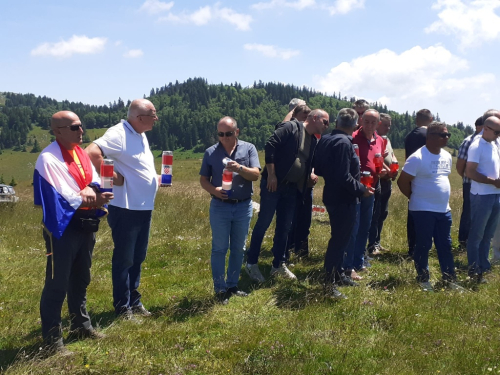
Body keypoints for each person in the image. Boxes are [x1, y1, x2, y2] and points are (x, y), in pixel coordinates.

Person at [34, 111, 113, 354]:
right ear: (57, 131)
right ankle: (52, 340)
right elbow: (63, 195)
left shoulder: (80, 154)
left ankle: (80, 325)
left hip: (85, 224)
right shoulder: (49, 159)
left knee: (81, 277)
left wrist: (93, 191)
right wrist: (89, 197)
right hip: (62, 228)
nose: (80, 131)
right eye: (74, 127)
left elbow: (94, 180)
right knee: (57, 283)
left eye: (80, 126)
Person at [86, 99, 159, 318]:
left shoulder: (140, 134)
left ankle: (134, 301)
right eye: (153, 114)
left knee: (138, 256)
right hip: (125, 207)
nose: (156, 119)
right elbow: (91, 152)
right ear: (139, 118)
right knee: (125, 258)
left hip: (143, 206)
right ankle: (122, 306)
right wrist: (111, 177)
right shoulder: (119, 133)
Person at [245, 109, 329, 281]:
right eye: (325, 122)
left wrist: (308, 177)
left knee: (285, 227)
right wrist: (272, 175)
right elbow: (271, 145)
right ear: (315, 118)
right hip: (273, 185)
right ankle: (251, 263)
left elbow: (307, 162)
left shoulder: (313, 140)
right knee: (264, 223)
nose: (327, 126)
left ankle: (278, 264)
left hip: (292, 188)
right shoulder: (291, 127)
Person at [199, 116, 261, 304]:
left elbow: (256, 175)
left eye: (228, 133)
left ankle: (232, 285)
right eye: (220, 134)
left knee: (238, 248)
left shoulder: (248, 148)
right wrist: (215, 191)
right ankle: (220, 289)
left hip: (243, 205)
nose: (224, 137)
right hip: (220, 206)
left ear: (237, 132)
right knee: (219, 248)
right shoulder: (211, 152)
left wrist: (240, 168)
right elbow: (203, 180)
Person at [314, 108, 373, 298]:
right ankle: (329, 284)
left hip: (332, 195)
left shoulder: (327, 139)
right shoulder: (343, 143)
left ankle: (338, 274)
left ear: (337, 122)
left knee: (341, 238)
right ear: (356, 125)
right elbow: (343, 176)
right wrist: (361, 189)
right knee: (339, 241)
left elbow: (320, 168)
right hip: (343, 198)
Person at [397, 121, 458, 291]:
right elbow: (402, 182)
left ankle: (449, 278)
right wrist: (414, 197)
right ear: (430, 137)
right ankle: (423, 279)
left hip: (444, 209)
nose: (446, 138)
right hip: (423, 209)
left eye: (447, 135)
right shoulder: (417, 158)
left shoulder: (446, 156)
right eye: (443, 135)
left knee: (445, 244)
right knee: (424, 244)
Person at [343, 109, 386, 281]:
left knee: (365, 227)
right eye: (366, 121)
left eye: (373, 122)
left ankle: (358, 261)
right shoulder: (352, 137)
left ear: (378, 124)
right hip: (354, 189)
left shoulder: (380, 140)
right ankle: (348, 266)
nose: (369, 125)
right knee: (353, 227)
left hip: (371, 189)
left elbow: (379, 163)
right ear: (360, 121)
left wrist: (381, 171)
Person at [465, 114, 500, 283]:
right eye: (497, 132)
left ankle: (484, 266)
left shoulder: (493, 143)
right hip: (482, 195)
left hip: (495, 194)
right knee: (477, 235)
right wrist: (492, 181)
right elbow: (470, 172)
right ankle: (473, 270)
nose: (498, 135)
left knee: (488, 235)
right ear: (486, 129)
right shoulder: (476, 146)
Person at [404, 109, 434, 257]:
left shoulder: (410, 136)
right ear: (431, 119)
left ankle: (412, 246)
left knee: (413, 213)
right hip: (426, 178)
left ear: (417, 120)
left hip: (411, 177)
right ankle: (422, 247)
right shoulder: (428, 136)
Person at [367, 113, 398, 254]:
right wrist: (388, 170)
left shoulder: (386, 139)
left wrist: (395, 166)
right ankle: (371, 244)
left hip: (387, 181)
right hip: (378, 180)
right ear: (378, 124)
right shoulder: (374, 139)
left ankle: (377, 242)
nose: (388, 128)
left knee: (383, 213)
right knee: (375, 213)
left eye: (389, 125)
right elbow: (376, 158)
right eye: (385, 125)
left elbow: (391, 155)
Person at [456, 116, 484, 249]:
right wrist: (469, 178)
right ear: (478, 127)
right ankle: (463, 241)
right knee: (468, 212)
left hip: (485, 185)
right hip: (470, 183)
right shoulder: (468, 142)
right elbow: (459, 166)